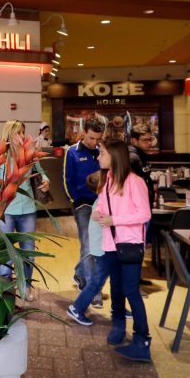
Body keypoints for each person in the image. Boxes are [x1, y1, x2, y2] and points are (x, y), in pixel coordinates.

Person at [92, 139, 152, 361]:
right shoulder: (108, 180)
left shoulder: (135, 182)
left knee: (130, 290)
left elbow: (144, 214)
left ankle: (142, 339)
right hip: (110, 244)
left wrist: (114, 219)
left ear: (114, 157)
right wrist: (97, 214)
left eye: (102, 154)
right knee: (116, 289)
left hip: (129, 245)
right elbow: (101, 207)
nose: (99, 158)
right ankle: (118, 327)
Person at [0, 120, 50, 302]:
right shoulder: (0, 156)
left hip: (27, 208)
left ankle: (26, 285)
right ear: (8, 134)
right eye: (17, 133)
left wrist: (45, 180)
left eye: (23, 132)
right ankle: (5, 286)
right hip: (6, 210)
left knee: (28, 251)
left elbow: (42, 173)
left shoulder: (30, 154)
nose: (20, 137)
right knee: (7, 251)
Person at [63, 118, 104, 291]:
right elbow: (67, 179)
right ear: (84, 133)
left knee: (99, 245)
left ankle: (80, 272)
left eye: (97, 139)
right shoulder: (72, 152)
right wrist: (76, 200)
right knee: (88, 244)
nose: (94, 143)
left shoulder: (102, 152)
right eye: (91, 138)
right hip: (83, 205)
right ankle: (91, 289)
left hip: (101, 204)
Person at [67, 172, 108, 325]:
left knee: (105, 277)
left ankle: (78, 305)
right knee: (98, 278)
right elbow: (68, 179)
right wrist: (76, 200)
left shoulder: (100, 201)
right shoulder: (101, 204)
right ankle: (77, 307)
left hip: (103, 247)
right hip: (102, 248)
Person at [128, 126, 155, 288]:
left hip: (143, 208)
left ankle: (137, 279)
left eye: (150, 139)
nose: (149, 143)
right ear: (134, 141)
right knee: (136, 248)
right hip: (138, 211)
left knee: (140, 247)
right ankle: (133, 283)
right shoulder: (133, 157)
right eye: (145, 140)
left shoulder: (140, 156)